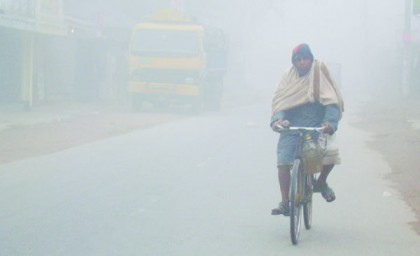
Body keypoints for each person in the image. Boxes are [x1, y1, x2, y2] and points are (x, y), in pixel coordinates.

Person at [270, 43, 344, 216]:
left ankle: (321, 183)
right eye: (298, 59)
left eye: (305, 59)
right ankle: (285, 202)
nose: (302, 62)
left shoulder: (319, 73)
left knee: (331, 154)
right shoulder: (288, 76)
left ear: (311, 59)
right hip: (291, 126)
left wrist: (329, 123)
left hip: (317, 125)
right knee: (283, 163)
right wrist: (277, 119)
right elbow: (280, 101)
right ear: (294, 62)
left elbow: (331, 102)